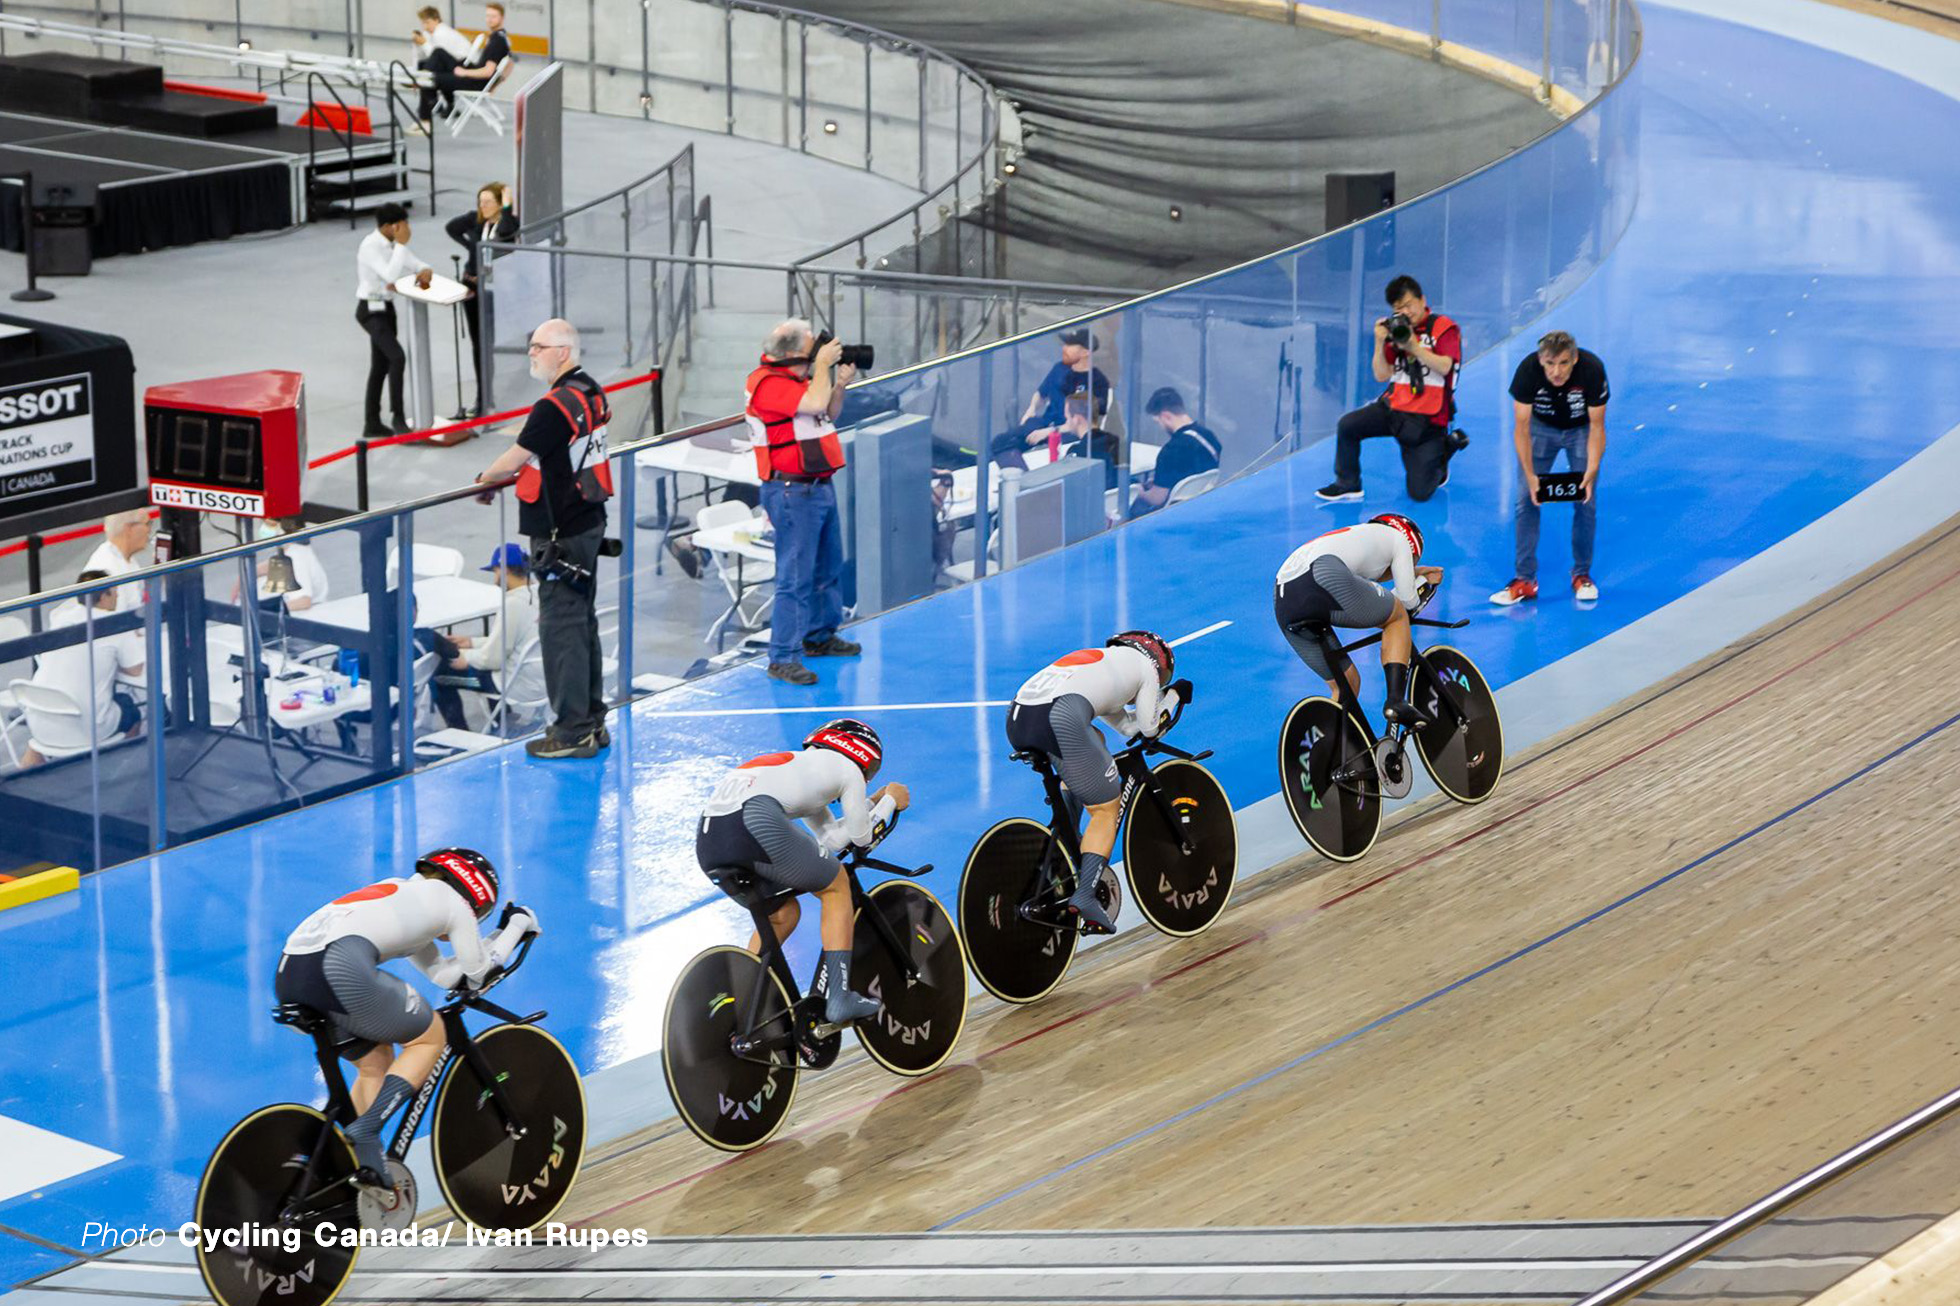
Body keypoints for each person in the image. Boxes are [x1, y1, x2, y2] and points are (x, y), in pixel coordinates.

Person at [275, 847, 536, 1187]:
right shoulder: (453, 904)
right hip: (339, 969)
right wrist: (517, 924)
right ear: (474, 897)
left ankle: (357, 1167)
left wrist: (495, 938)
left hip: (290, 974)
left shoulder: (405, 894)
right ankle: (366, 1130)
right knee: (431, 1035)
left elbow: (443, 974)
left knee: (375, 1063)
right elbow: (475, 972)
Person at [696, 719, 909, 1024]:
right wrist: (889, 800)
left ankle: (741, 1005)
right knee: (836, 884)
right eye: (872, 768)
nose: (869, 775)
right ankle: (839, 998)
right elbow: (862, 837)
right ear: (861, 753)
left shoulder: (805, 770)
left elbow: (831, 839)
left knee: (782, 914)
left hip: (709, 839)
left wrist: (870, 802)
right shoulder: (848, 769)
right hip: (752, 820)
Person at [473, 320, 613, 759]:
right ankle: (591, 721)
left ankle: (572, 731)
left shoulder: (553, 406)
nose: (531, 353)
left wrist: (486, 479)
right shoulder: (591, 392)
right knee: (582, 625)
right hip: (587, 523)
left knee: (562, 632)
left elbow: (512, 458)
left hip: (561, 536)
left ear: (563, 352)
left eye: (539, 346)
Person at [1006, 631, 1178, 933]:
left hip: (1018, 718)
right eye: (1162, 677)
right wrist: (1175, 696)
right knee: (1105, 809)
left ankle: (1069, 837)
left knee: (1093, 740)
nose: (1160, 681)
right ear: (1157, 660)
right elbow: (1149, 729)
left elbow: (1127, 726)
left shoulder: (1109, 663)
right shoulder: (1145, 667)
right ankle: (1085, 895)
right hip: (1059, 717)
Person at [744, 319, 861, 687]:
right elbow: (812, 402)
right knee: (794, 577)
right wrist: (825, 365)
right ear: (795, 351)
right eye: (814, 345)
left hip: (818, 485)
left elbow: (827, 411)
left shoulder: (800, 381)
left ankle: (818, 635)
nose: (820, 349)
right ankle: (782, 656)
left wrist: (838, 384)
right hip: (792, 492)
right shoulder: (766, 383)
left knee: (827, 568)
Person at [1274, 514, 1443, 724]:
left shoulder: (1354, 537)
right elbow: (1407, 600)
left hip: (1283, 597)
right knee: (1397, 616)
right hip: (1324, 575)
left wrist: (1412, 573)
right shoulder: (1399, 539)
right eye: (1411, 561)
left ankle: (1334, 747)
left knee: (1346, 684)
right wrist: (1423, 584)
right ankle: (1396, 702)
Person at [1318, 275, 1467, 504]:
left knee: (1419, 493)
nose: (1405, 312)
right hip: (1394, 408)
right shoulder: (1397, 330)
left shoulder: (1443, 329)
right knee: (1348, 425)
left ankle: (1445, 453)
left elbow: (1446, 367)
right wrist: (1379, 343)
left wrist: (1414, 348)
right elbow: (1381, 374)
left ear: (1422, 300)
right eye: (1399, 308)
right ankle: (1348, 483)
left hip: (1428, 419)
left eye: (1408, 305)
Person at [1491, 330, 1610, 607]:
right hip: (1541, 428)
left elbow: (1597, 427)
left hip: (1580, 429)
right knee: (1525, 500)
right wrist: (1531, 476)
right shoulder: (1527, 371)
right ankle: (1525, 580)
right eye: (1550, 364)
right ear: (1540, 360)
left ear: (1575, 359)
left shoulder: (1592, 369)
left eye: (1564, 363)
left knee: (1586, 500)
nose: (1556, 372)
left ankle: (1582, 574)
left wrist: (1592, 468)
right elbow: (1520, 428)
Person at [20, 571, 145, 766]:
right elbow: (136, 670)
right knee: (131, 710)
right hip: (85, 729)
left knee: (39, 740)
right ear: (104, 597)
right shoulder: (114, 625)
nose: (118, 596)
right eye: (115, 591)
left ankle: (19, 780)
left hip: (38, 722)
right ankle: (121, 771)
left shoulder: (59, 620)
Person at [435, 543, 539, 730]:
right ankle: (503, 719)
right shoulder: (539, 594)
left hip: (517, 683)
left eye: (495, 570)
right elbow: (516, 641)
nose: (495, 578)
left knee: (439, 677)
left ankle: (461, 734)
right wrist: (472, 643)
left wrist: (464, 656)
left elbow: (492, 659)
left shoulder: (513, 604)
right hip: (542, 678)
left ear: (504, 569)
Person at [356, 204, 433, 439]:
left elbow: (416, 263)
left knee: (379, 366)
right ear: (392, 226)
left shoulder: (393, 246)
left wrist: (425, 270)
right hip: (370, 310)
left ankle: (371, 422)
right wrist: (401, 245)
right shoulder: (370, 246)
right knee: (396, 357)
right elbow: (389, 274)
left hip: (387, 309)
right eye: (404, 224)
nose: (408, 229)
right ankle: (398, 417)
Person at [445, 182, 518, 416]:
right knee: (479, 345)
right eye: (480, 201)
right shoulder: (476, 221)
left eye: (488, 202)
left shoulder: (508, 223)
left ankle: (487, 396)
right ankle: (482, 397)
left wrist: (507, 207)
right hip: (473, 287)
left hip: (494, 291)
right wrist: (472, 247)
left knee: (488, 344)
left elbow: (507, 232)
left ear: (499, 204)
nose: (483, 206)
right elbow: (451, 227)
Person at [991, 329, 1112, 466]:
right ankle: (1020, 479)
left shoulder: (1097, 382)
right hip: (1044, 422)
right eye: (1065, 344)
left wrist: (1051, 432)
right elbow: (1041, 393)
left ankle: (1037, 481)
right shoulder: (1059, 368)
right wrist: (1031, 410)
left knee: (1054, 453)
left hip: (1068, 432)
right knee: (1002, 442)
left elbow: (1087, 424)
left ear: (1085, 352)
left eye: (1070, 345)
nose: (1064, 348)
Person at [1127, 387, 1221, 518]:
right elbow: (1190, 471)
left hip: (1172, 514)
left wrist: (1139, 491)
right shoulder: (1209, 437)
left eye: (1158, 421)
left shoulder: (1171, 451)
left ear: (1166, 416)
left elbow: (1157, 499)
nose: (1160, 426)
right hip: (1199, 506)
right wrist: (1163, 481)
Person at [409, 5, 477, 128]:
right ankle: (432, 100)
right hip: (454, 64)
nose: (425, 27)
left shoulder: (442, 33)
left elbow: (437, 57)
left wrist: (423, 43)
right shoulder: (431, 33)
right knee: (424, 69)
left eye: (427, 22)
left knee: (428, 76)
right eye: (423, 23)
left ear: (436, 20)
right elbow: (423, 57)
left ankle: (429, 101)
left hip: (465, 66)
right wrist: (417, 45)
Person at [255, 517, 330, 611]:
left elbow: (303, 601)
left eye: (269, 525)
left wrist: (261, 612)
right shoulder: (288, 552)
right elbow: (266, 568)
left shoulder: (296, 557)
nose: (264, 529)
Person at [84, 509, 152, 611]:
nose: (149, 530)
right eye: (147, 524)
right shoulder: (107, 569)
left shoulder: (126, 559)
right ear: (129, 529)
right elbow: (117, 620)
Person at [1050, 394, 1121, 489]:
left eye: (1067, 418)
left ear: (1077, 419)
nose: (1066, 423)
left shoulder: (1076, 453)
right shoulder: (1116, 442)